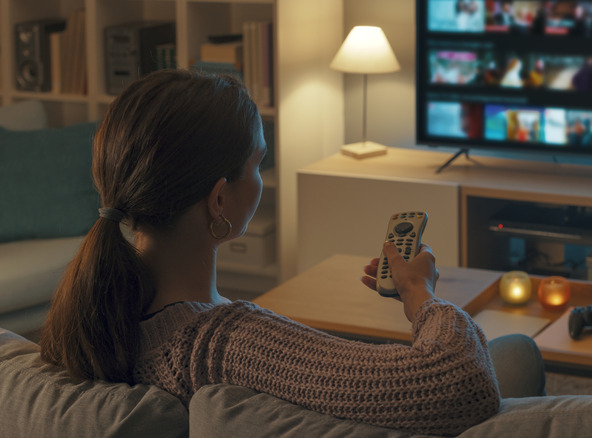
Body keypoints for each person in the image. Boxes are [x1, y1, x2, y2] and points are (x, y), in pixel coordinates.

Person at [38, 70, 545, 436]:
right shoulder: (225, 343)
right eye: (257, 164)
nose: (260, 178)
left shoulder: (89, 316)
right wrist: (419, 293)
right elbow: (459, 384)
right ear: (218, 200)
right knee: (515, 352)